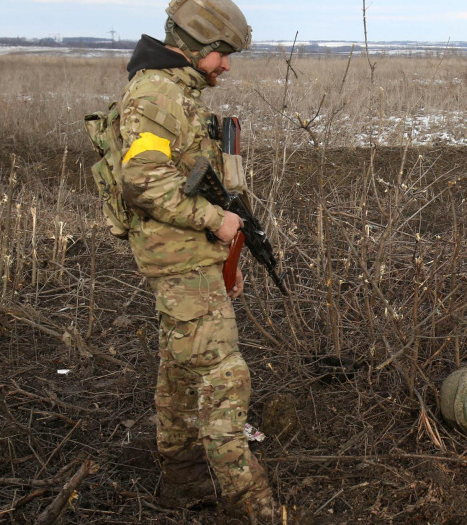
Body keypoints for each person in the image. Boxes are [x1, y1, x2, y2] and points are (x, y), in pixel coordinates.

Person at [114, 0, 273, 521]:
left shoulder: (174, 90)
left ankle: (183, 480)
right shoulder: (156, 93)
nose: (225, 65)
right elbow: (142, 181)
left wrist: (227, 254)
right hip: (178, 259)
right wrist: (213, 219)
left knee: (181, 373)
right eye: (221, 53)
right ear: (194, 45)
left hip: (189, 257)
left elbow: (189, 179)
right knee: (225, 377)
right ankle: (249, 503)